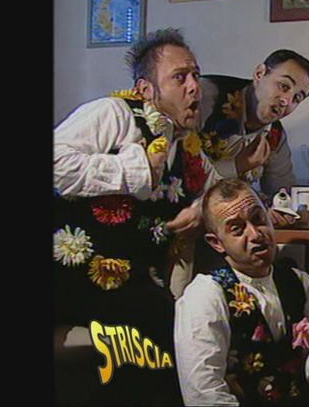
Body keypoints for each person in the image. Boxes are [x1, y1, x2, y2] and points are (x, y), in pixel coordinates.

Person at [53, 27, 208, 405]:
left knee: (193, 318)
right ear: (145, 90)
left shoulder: (186, 143)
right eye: (180, 77)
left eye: (196, 75)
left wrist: (198, 209)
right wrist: (134, 171)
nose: (194, 87)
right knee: (160, 330)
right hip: (73, 275)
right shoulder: (113, 113)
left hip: (136, 278)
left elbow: (216, 188)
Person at [175, 179, 309, 406]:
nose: (256, 234)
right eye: (237, 229)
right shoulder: (204, 296)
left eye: (258, 219)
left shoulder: (300, 282)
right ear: (217, 243)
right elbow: (203, 395)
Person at [197, 49, 309, 228]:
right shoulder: (205, 98)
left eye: (297, 98)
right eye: (283, 86)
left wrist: (287, 212)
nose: (286, 101)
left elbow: (282, 194)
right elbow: (184, 178)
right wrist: (238, 165)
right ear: (260, 73)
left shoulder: (274, 136)